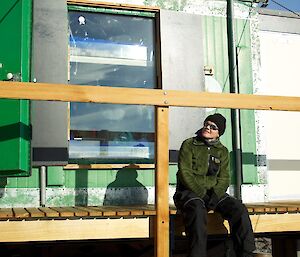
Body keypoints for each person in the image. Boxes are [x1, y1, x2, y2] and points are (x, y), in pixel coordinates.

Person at [173, 113, 255, 257]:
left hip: (213, 193)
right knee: (198, 211)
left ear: (219, 133)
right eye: (206, 124)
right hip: (189, 192)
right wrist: (201, 194)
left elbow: (224, 178)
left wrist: (215, 196)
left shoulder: (222, 151)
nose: (208, 128)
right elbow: (185, 173)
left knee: (239, 209)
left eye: (213, 127)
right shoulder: (189, 144)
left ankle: (246, 253)